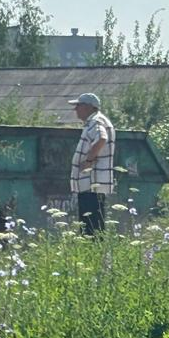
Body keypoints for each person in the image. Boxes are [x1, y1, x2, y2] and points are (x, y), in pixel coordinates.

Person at [69, 92, 115, 235]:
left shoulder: (96, 121)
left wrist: (88, 161)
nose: (75, 109)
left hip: (92, 183)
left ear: (89, 107)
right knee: (95, 226)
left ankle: (93, 252)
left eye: (78, 105)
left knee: (90, 228)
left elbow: (102, 138)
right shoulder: (98, 120)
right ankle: (96, 252)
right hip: (94, 184)